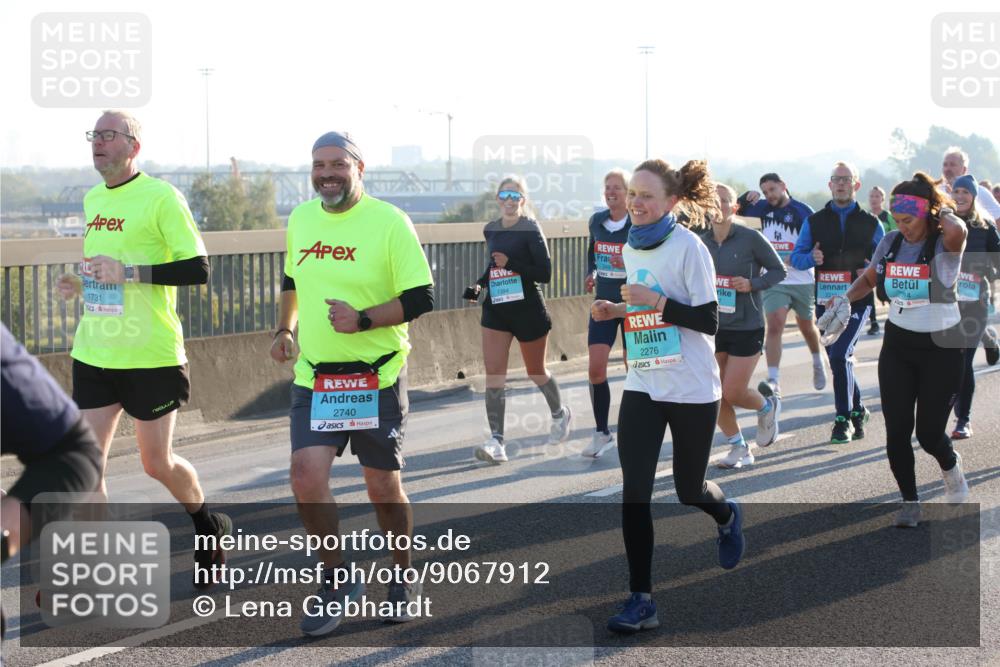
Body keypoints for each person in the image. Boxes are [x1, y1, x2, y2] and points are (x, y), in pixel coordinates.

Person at [54, 110, 231, 589]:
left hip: (150, 354)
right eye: (95, 134)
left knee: (157, 463)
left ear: (133, 146)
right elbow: (107, 268)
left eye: (109, 135)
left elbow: (198, 269)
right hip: (95, 349)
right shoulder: (93, 199)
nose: (98, 142)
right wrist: (80, 281)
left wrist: (131, 274)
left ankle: (206, 524)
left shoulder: (161, 197)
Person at [270, 131, 435, 636]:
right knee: (305, 476)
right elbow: (292, 281)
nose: (326, 174)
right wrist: (285, 328)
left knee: (382, 485)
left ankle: (403, 575)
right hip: (316, 377)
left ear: (359, 168)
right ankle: (337, 578)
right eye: (318, 165)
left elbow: (422, 296)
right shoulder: (301, 218)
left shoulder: (388, 222)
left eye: (337, 164)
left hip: (375, 375)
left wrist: (363, 320)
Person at [592, 159, 744, 633]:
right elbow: (643, 305)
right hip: (644, 382)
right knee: (634, 494)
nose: (636, 203)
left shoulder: (689, 248)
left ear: (671, 203)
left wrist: (651, 300)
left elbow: (708, 320)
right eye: (633, 194)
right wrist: (617, 307)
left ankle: (726, 513)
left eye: (646, 196)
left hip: (692, 387)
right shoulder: (630, 246)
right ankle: (642, 600)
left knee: (687, 489)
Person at [831, 172, 970, 528]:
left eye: (908, 219)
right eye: (898, 219)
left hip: (942, 345)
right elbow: (870, 279)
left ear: (926, 214)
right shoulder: (891, 241)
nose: (903, 226)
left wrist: (939, 210)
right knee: (896, 430)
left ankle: (950, 468)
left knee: (928, 433)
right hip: (899, 343)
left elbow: (959, 231)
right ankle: (910, 500)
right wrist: (844, 301)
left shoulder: (943, 241)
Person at [467, 176, 573, 464]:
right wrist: (477, 286)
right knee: (494, 374)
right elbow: (493, 267)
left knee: (536, 371)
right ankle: (497, 442)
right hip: (497, 310)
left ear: (523, 200)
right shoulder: (490, 229)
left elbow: (545, 274)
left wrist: (510, 264)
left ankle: (559, 413)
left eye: (516, 196)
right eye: (505, 195)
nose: (510, 201)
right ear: (498, 199)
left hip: (527, 311)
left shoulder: (530, 228)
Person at [791, 162, 884, 444]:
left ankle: (842, 420)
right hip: (827, 300)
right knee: (836, 357)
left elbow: (886, 262)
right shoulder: (815, 221)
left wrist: (870, 268)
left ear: (856, 185)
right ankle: (858, 410)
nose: (841, 184)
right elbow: (796, 257)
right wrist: (812, 259)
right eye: (836, 179)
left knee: (841, 353)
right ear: (829, 185)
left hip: (858, 299)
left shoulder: (871, 222)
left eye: (846, 179)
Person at [700, 183, 785, 468]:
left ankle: (766, 406)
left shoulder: (750, 238)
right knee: (714, 393)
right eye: (713, 201)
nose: (718, 205)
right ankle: (739, 447)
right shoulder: (700, 242)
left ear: (734, 207)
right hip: (713, 327)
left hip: (747, 325)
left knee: (733, 391)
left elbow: (778, 270)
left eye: (724, 200)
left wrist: (751, 284)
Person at [741, 174, 827, 395]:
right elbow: (734, 215)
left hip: (802, 278)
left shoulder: (802, 211)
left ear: (783, 186)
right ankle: (773, 379)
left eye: (772, 189)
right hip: (774, 278)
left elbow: (819, 241)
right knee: (776, 322)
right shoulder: (760, 209)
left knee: (807, 326)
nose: (769, 195)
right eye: (765, 191)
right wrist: (743, 199)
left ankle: (817, 361)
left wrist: (800, 256)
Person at [581, 169, 631, 458]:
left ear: (628, 193)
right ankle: (602, 432)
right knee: (596, 368)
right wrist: (592, 272)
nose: (611, 192)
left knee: (632, 368)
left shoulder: (636, 225)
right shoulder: (597, 221)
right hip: (602, 303)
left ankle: (637, 425)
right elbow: (592, 252)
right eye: (607, 187)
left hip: (630, 303)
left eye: (617, 188)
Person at [949, 174, 1000, 439]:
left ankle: (963, 420)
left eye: (964, 192)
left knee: (963, 359)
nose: (959, 196)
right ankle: (990, 339)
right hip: (948, 302)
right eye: (955, 191)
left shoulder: (985, 227)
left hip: (976, 301)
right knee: (950, 360)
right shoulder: (943, 225)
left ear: (973, 196)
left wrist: (988, 269)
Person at [941, 147, 1000, 221]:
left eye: (952, 165)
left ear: (964, 169)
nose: (947, 168)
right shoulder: (937, 191)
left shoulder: (981, 192)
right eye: (945, 165)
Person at [866, 186, 896, 334]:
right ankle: (873, 322)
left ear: (883, 199)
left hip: (888, 260)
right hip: (869, 259)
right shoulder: (866, 217)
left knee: (886, 289)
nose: (874, 199)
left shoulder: (888, 217)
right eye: (871, 196)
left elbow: (897, 235)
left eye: (877, 196)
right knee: (867, 289)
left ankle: (897, 318)